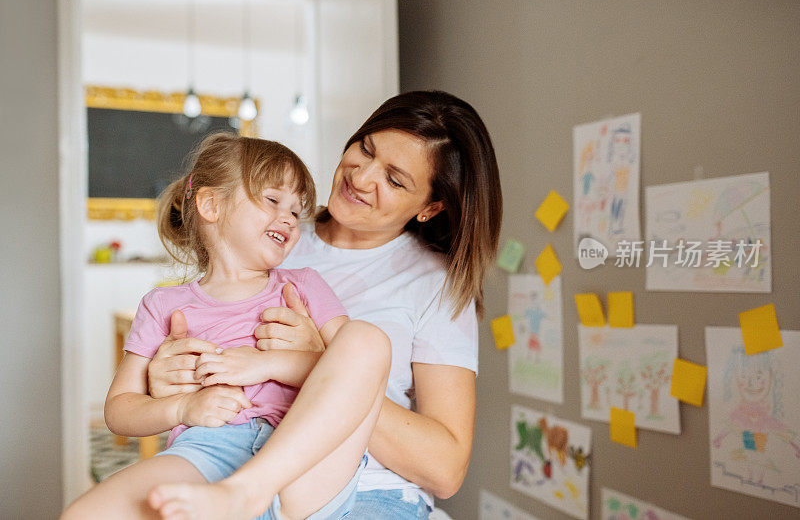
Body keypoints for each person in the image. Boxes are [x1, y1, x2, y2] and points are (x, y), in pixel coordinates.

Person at [146, 90, 503, 519]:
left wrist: (320, 362)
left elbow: (445, 469)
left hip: (368, 492)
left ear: (430, 207)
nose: (362, 176)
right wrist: (167, 376)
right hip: (227, 462)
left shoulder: (434, 284)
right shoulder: (273, 234)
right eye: (366, 149)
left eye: (394, 179)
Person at [62, 134, 391, 520]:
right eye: (272, 200)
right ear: (210, 204)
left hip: (306, 461)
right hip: (205, 452)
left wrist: (264, 365)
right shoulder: (163, 305)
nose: (288, 218)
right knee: (86, 514)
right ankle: (235, 498)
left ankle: (250, 491)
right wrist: (183, 406)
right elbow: (120, 410)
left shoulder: (303, 285)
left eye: (296, 211)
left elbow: (359, 376)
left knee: (367, 339)